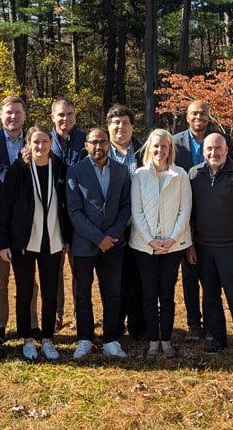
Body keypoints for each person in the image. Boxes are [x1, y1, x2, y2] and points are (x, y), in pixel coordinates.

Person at [0, 125, 70, 361]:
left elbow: (66, 206)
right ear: (27, 144)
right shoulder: (18, 170)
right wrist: (3, 242)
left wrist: (67, 238)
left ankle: (48, 339)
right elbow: (4, 208)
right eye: (35, 142)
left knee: (50, 292)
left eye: (44, 142)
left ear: (51, 142)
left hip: (53, 239)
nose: (40, 147)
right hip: (23, 241)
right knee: (24, 292)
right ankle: (27, 339)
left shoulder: (59, 167)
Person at [188, 133, 233, 364]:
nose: (214, 153)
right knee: (210, 296)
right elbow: (189, 215)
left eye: (218, 148)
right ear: (203, 150)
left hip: (232, 247)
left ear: (227, 150)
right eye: (209, 148)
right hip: (203, 246)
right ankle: (218, 338)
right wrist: (190, 245)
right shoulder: (194, 174)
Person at [0, 95, 39, 345]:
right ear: (1, 116)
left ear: (25, 115)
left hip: (28, 223)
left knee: (28, 280)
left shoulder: (35, 141)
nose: (13, 117)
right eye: (8, 113)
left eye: (17, 112)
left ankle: (32, 324)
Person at [173, 100, 233, 340]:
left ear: (209, 117)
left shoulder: (220, 140)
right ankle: (193, 324)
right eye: (194, 113)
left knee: (211, 276)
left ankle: (211, 322)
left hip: (214, 217)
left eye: (203, 113)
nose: (199, 117)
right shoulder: (176, 142)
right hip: (184, 216)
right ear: (187, 117)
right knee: (189, 275)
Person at [67, 127, 131, 359]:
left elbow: (126, 207)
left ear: (109, 144)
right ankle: (84, 338)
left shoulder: (122, 171)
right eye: (93, 142)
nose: (98, 146)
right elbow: (74, 211)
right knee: (82, 292)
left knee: (112, 292)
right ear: (86, 145)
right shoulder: (75, 171)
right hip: (84, 243)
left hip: (114, 244)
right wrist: (98, 238)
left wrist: (111, 236)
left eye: (102, 142)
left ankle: (111, 339)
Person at [130, 129, 192, 359]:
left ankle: (166, 340)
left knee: (166, 294)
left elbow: (185, 210)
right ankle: (153, 341)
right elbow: (137, 211)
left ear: (170, 149)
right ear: (149, 148)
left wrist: (172, 239)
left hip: (172, 247)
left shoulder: (180, 175)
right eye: (156, 146)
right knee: (148, 294)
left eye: (164, 146)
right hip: (144, 246)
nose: (160, 150)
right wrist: (150, 240)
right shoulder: (139, 175)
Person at [105, 103, 147, 341]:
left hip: (140, 226)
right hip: (111, 228)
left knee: (138, 279)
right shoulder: (100, 152)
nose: (121, 127)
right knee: (114, 280)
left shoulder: (144, 151)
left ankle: (138, 326)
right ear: (108, 127)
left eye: (125, 123)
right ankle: (115, 324)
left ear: (133, 126)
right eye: (116, 123)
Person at [49, 98, 87, 331]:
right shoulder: (42, 140)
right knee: (54, 270)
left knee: (80, 271)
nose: (66, 119)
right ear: (52, 116)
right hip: (51, 215)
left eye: (70, 114)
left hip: (78, 215)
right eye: (61, 115)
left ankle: (79, 313)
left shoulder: (84, 141)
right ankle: (56, 313)